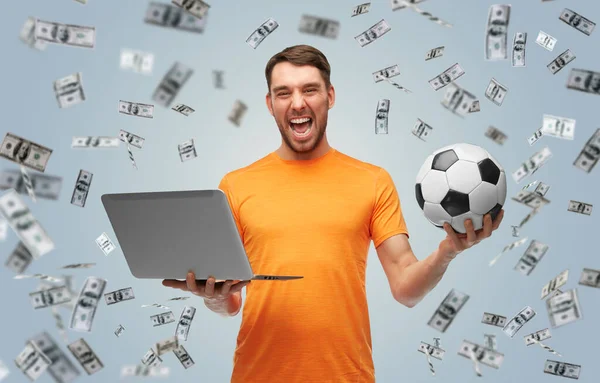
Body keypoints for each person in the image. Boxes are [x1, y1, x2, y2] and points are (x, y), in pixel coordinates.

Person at [162, 44, 504, 382]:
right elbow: (231, 302)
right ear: (270, 104)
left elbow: (405, 288)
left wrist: (447, 252)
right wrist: (213, 298)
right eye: (283, 93)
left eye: (309, 90)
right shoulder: (235, 185)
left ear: (330, 95)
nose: (297, 103)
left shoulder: (373, 180)